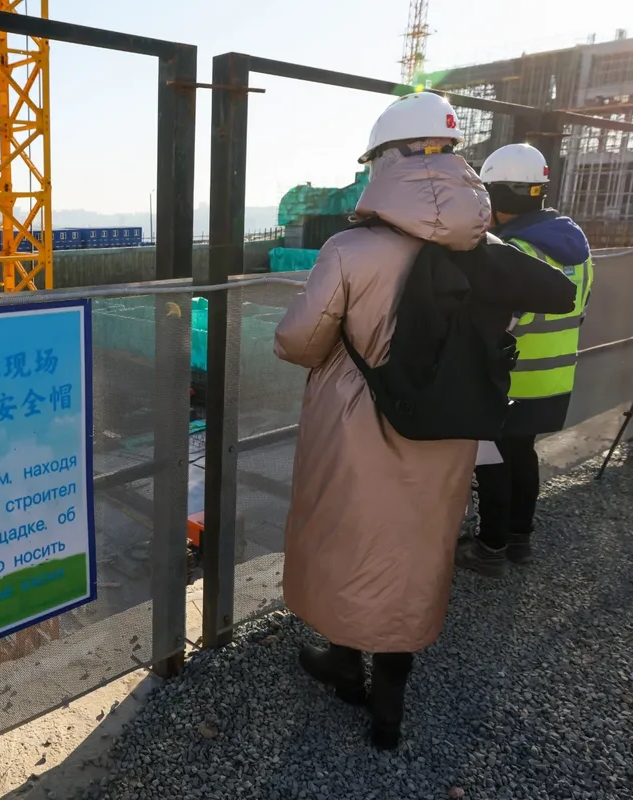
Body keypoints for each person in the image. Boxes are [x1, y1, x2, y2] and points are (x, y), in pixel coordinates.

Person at [274, 92, 490, 750]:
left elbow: (298, 342)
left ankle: (344, 662)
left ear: (388, 161)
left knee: (350, 538)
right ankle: (389, 700)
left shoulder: (350, 249)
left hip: (357, 428)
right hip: (448, 426)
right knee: (416, 548)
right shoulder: (487, 247)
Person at [456, 143, 593, 577]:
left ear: (497, 196)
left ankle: (489, 549)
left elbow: (499, 322)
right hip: (554, 381)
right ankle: (519, 539)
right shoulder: (577, 249)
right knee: (522, 454)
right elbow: (578, 310)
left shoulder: (515, 253)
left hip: (511, 381)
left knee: (494, 463)